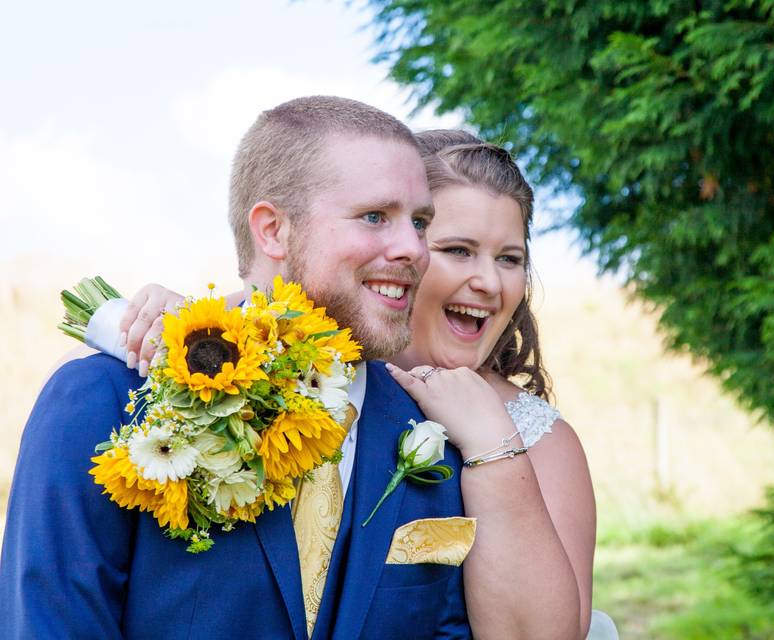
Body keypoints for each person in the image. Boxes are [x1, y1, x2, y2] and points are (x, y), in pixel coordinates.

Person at [0, 97, 472, 639]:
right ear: (272, 231)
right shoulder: (106, 400)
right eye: (375, 217)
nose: (415, 248)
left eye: (420, 222)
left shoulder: (435, 436)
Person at [121, 131, 599, 639]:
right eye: (458, 250)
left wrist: (493, 446)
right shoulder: (285, 372)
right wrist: (175, 325)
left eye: (509, 258)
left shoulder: (540, 438)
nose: (489, 282)